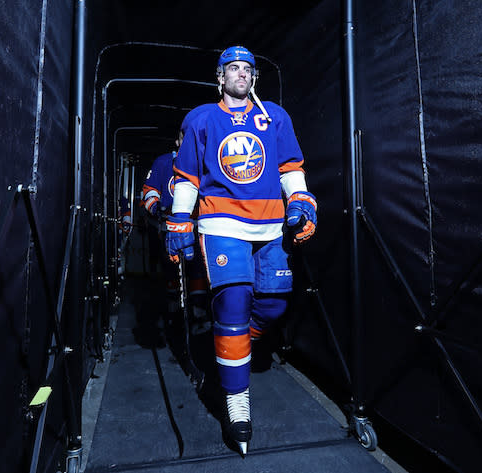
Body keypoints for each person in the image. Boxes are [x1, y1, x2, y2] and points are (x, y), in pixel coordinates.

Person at [165, 46, 317, 455]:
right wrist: (179, 219)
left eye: (247, 69)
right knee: (234, 302)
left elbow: (290, 167)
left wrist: (300, 200)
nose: (241, 75)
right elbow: (187, 176)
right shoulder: (201, 118)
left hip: (270, 225)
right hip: (222, 223)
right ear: (220, 76)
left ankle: (233, 348)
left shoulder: (275, 117)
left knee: (273, 303)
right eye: (233, 68)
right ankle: (237, 403)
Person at [141, 132, 210, 346]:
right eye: (183, 138)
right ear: (178, 141)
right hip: (169, 228)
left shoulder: (205, 161)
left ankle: (198, 314)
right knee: (171, 270)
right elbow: (150, 190)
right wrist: (155, 206)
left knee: (198, 270)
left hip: (199, 228)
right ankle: (173, 314)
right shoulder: (164, 162)